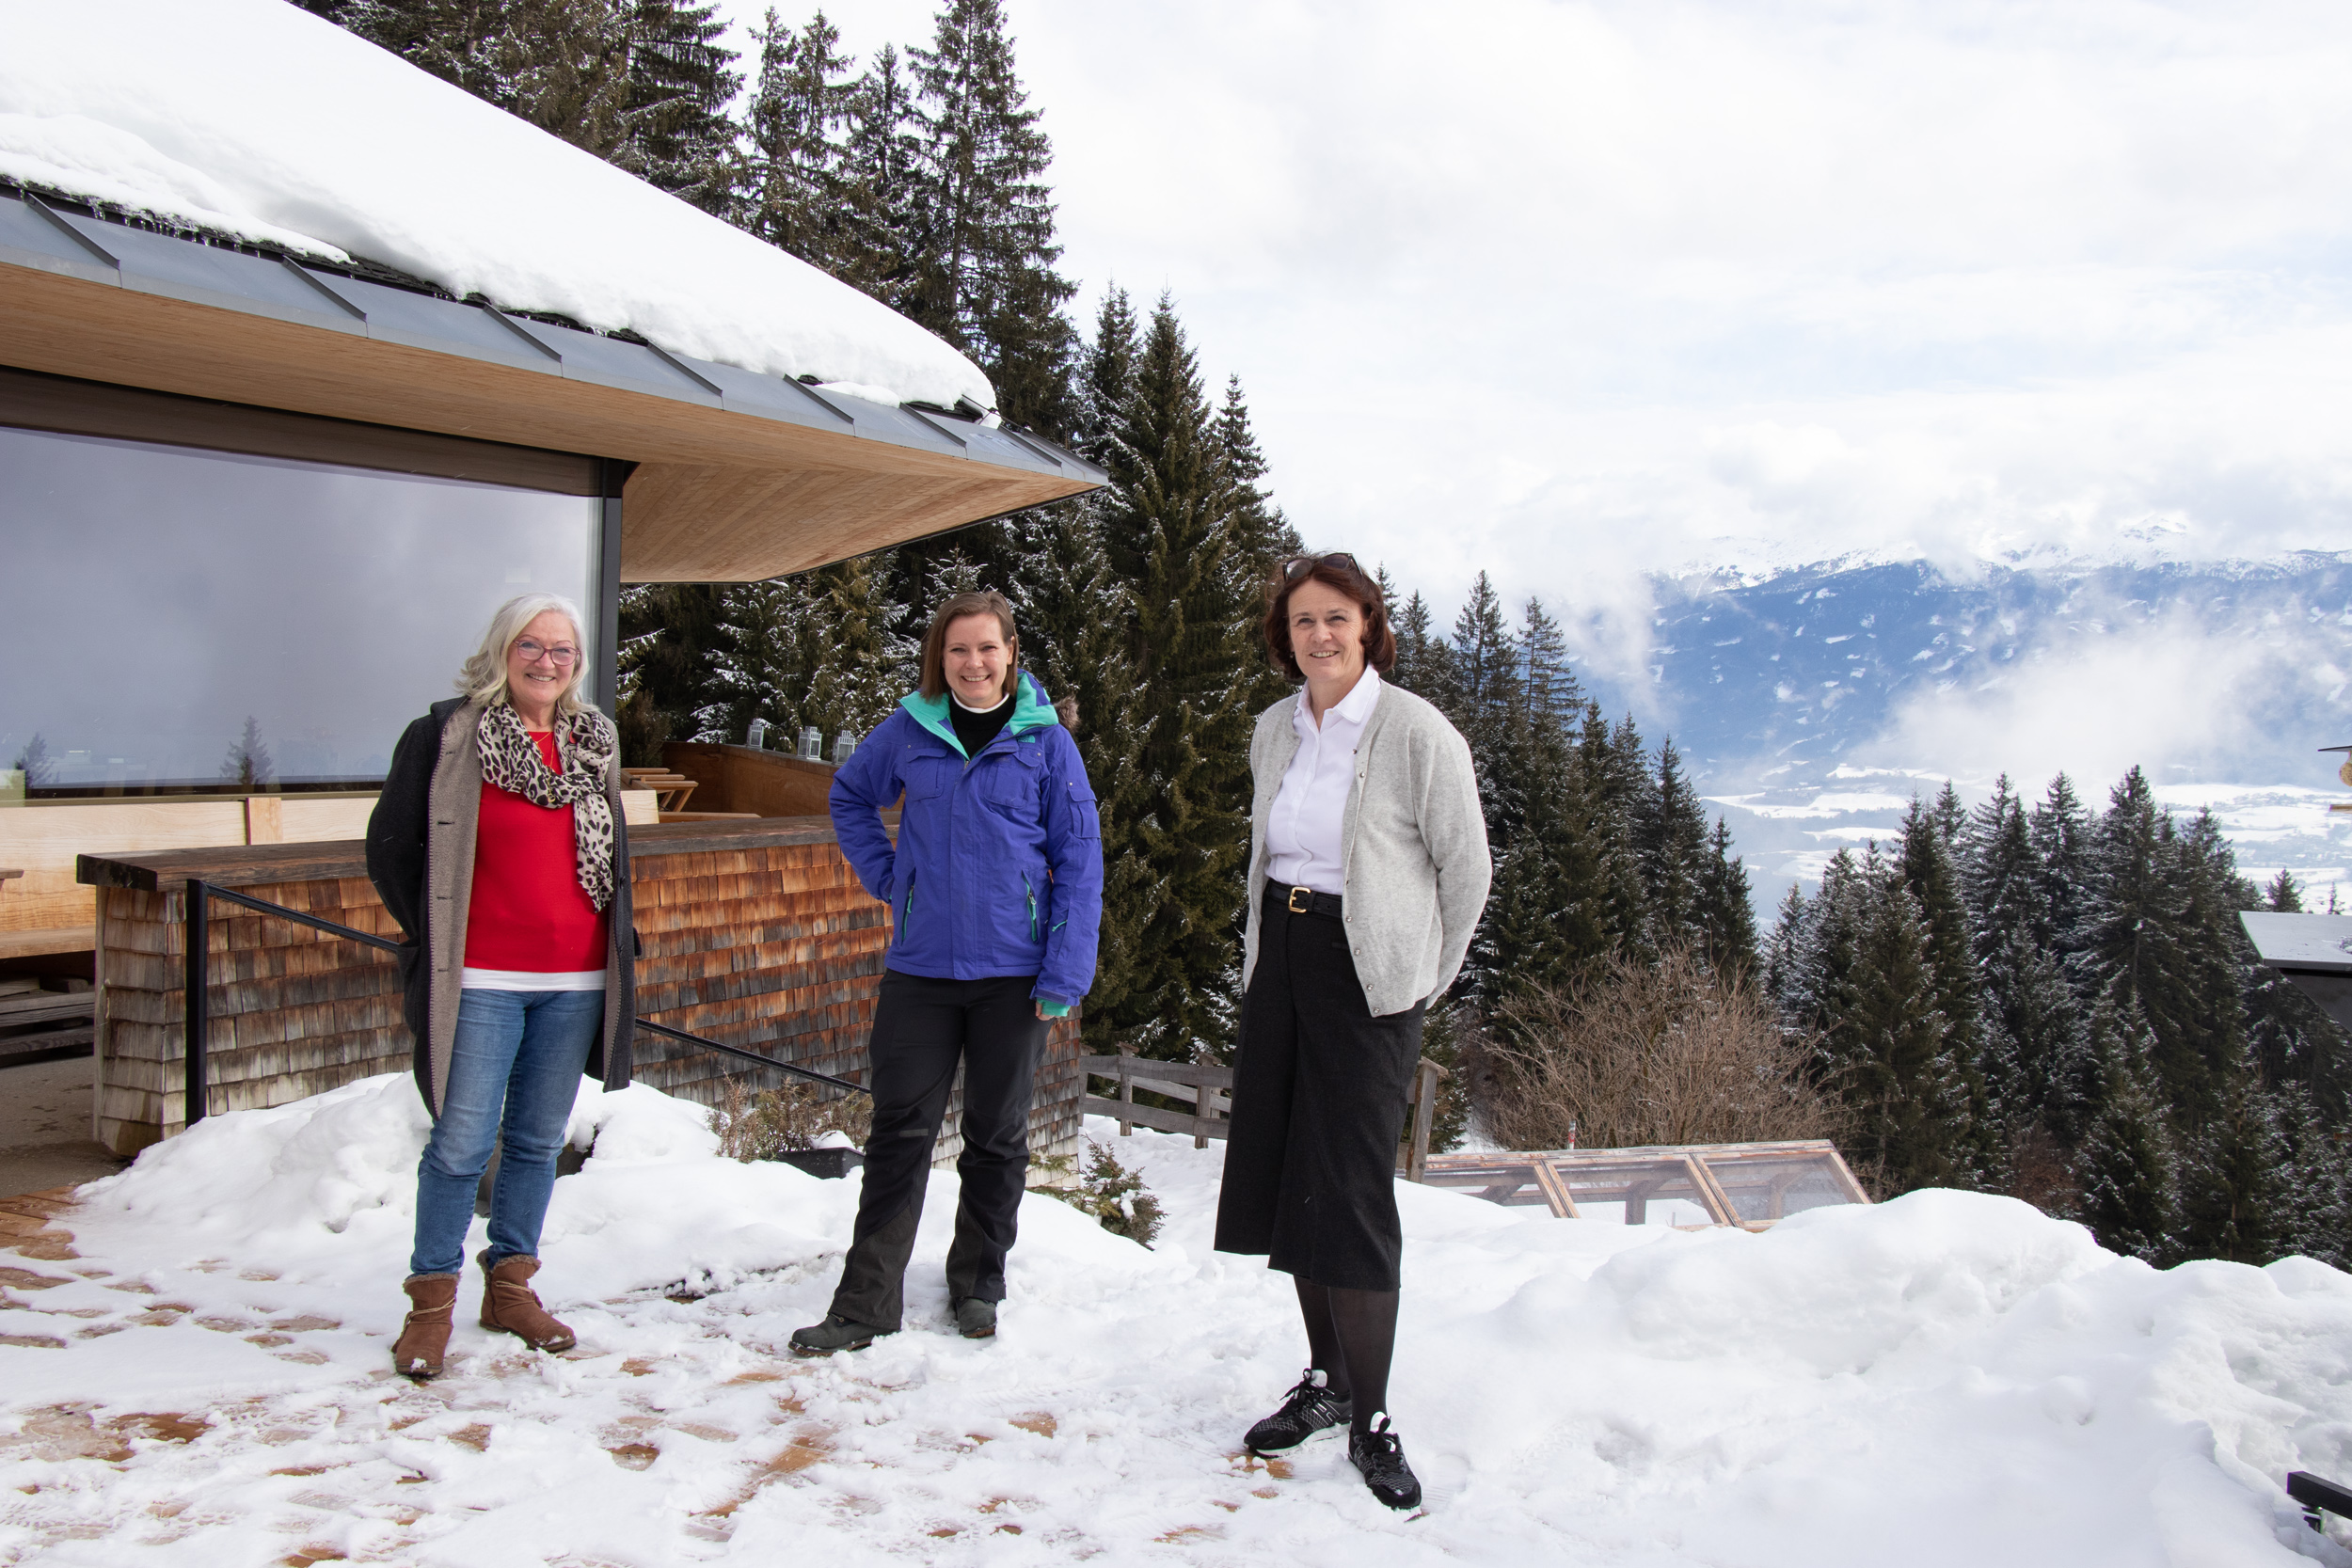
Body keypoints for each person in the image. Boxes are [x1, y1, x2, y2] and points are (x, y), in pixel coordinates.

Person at [1214, 552, 1491, 1511]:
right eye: (1303, 621)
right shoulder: (1274, 728)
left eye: (1338, 617)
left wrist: (1419, 981)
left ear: (1368, 625)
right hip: (1282, 961)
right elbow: (1267, 853)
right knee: (1294, 1175)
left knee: (1354, 1190)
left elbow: (1466, 871)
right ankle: (1327, 1381)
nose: (1320, 635)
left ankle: (1372, 1417)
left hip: (1369, 976)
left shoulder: (1415, 731)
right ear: (1283, 635)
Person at [791, 590, 1104, 1354]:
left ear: (1011, 652)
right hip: (922, 970)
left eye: (987, 647)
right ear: (940, 656)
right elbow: (850, 795)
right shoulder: (912, 728)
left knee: (996, 1134)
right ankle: (866, 1302)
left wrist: (1064, 972)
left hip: (1014, 974)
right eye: (958, 648)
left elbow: (1079, 857)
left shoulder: (1045, 741)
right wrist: (890, 876)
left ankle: (978, 1284)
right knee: (899, 1132)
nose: (973, 662)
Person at [365, 593, 636, 1380]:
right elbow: (391, 848)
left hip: (575, 977)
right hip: (482, 975)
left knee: (536, 1142)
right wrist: (435, 931)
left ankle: (510, 1288)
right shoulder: (449, 736)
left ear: (576, 662)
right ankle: (430, 1306)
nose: (546, 661)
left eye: (562, 649)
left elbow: (609, 856)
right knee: (460, 1141)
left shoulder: (593, 740)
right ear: (501, 650)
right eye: (531, 645)